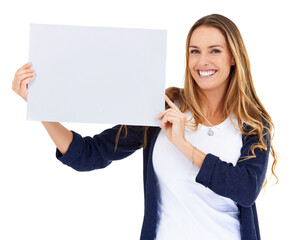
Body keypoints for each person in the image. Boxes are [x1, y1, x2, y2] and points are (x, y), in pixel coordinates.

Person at [12, 14, 278, 240]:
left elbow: (246, 190)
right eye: (194, 51)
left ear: (233, 58)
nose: (202, 61)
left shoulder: (252, 123)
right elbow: (89, 154)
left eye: (215, 51)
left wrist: (183, 145)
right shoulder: (163, 106)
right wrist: (41, 107)